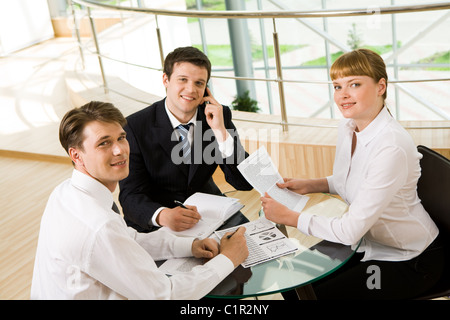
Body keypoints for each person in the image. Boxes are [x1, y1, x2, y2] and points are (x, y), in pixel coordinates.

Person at [260, 49, 445, 299]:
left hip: (410, 259)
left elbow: (349, 231)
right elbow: (352, 181)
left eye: (354, 84)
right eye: (337, 87)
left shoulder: (391, 146)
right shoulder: (349, 127)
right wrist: (312, 184)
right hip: (368, 244)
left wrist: (291, 217)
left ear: (381, 86)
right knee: (295, 287)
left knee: (311, 296)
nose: (343, 95)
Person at [31, 101, 248, 300]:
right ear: (76, 155)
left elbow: (127, 239)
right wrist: (228, 258)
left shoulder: (64, 192)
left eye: (121, 138)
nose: (120, 150)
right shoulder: (99, 226)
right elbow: (166, 296)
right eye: (104, 143)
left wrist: (190, 245)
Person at [119, 46, 252, 233]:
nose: (191, 89)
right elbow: (130, 195)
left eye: (199, 83)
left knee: (254, 248)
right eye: (183, 80)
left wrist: (221, 132)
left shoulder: (218, 116)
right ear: (166, 79)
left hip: (208, 211)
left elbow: (244, 183)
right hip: (158, 219)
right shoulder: (133, 127)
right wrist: (162, 215)